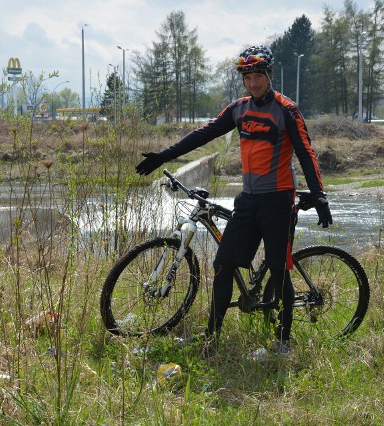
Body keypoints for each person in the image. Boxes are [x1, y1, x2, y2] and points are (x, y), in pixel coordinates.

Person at [135, 45, 332, 354]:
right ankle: (211, 335)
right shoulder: (239, 109)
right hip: (249, 200)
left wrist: (319, 195)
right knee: (224, 264)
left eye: (258, 76)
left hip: (279, 200)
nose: (253, 83)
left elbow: (306, 152)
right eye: (248, 77)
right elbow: (205, 134)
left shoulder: (286, 110)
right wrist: (164, 155)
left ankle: (282, 340)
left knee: (279, 269)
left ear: (268, 75)